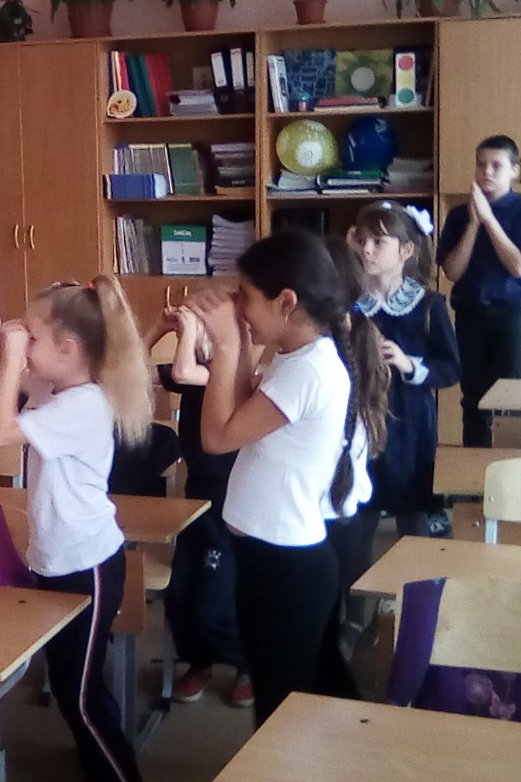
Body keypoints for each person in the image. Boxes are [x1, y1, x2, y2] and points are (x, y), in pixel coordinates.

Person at [188, 230, 389, 727]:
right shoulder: (295, 356)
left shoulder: (310, 370)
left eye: (245, 297)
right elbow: (239, 407)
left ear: (286, 302)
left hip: (286, 570)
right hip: (272, 561)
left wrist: (226, 342)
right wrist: (238, 339)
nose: (238, 307)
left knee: (281, 711)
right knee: (308, 692)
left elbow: (217, 436)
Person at [0, 275, 150, 782]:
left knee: (81, 697)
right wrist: (17, 350)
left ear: (68, 349)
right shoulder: (59, 389)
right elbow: (12, 395)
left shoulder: (83, 405)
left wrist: (10, 355)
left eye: (33, 337)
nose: (25, 343)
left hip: (88, 565)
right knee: (68, 683)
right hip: (58, 559)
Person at [143, 305, 253, 710]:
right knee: (179, 595)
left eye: (206, 329)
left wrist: (189, 329)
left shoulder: (230, 378)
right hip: (195, 500)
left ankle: (248, 662)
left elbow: (185, 371)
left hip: (230, 504)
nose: (190, 337)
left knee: (212, 600)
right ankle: (199, 660)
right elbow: (133, 371)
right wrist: (158, 327)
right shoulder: (194, 371)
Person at [351, 201, 461, 545]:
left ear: (406, 250)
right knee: (359, 513)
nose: (367, 249)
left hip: (411, 422)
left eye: (378, 242)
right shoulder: (351, 305)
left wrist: (408, 364)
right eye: (362, 240)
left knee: (412, 515)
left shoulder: (428, 305)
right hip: (362, 417)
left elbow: (450, 368)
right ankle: (355, 580)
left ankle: (415, 577)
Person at [438, 135, 521, 448]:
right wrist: (474, 224)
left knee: (510, 396)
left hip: (511, 315)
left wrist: (488, 219)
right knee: (473, 398)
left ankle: (508, 464)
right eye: (481, 164)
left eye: (496, 165)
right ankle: (476, 466)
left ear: (514, 170)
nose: (486, 171)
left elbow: (519, 267)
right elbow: (452, 271)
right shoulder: (459, 215)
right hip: (470, 315)